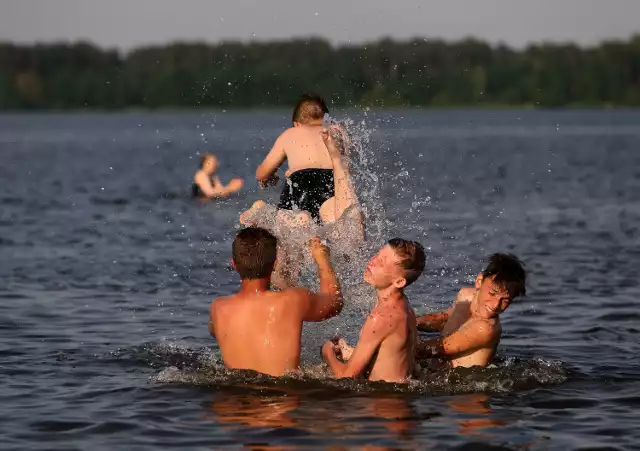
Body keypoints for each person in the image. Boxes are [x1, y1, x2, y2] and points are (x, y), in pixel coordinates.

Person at [208, 227, 343, 377]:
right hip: (284, 397)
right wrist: (322, 258)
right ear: (274, 264)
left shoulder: (218, 308)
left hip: (233, 398)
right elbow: (335, 301)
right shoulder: (293, 300)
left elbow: (217, 332)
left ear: (234, 264)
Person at [321, 238, 426, 383]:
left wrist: (327, 352)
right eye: (378, 254)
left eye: (382, 262)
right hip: (399, 400)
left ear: (399, 282)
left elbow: (346, 378)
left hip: (381, 403)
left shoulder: (380, 317)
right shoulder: (404, 306)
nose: (373, 261)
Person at [415, 253, 526, 369]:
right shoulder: (466, 295)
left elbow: (437, 349)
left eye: (506, 300)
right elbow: (445, 319)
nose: (495, 305)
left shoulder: (485, 328)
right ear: (479, 281)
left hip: (456, 382)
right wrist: (413, 322)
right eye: (492, 293)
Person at [255, 94, 335, 223]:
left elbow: (261, 174)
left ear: (296, 124)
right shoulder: (335, 131)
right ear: (327, 120)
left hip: (300, 181)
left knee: (292, 227)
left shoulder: (289, 134)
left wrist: (270, 176)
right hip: (333, 181)